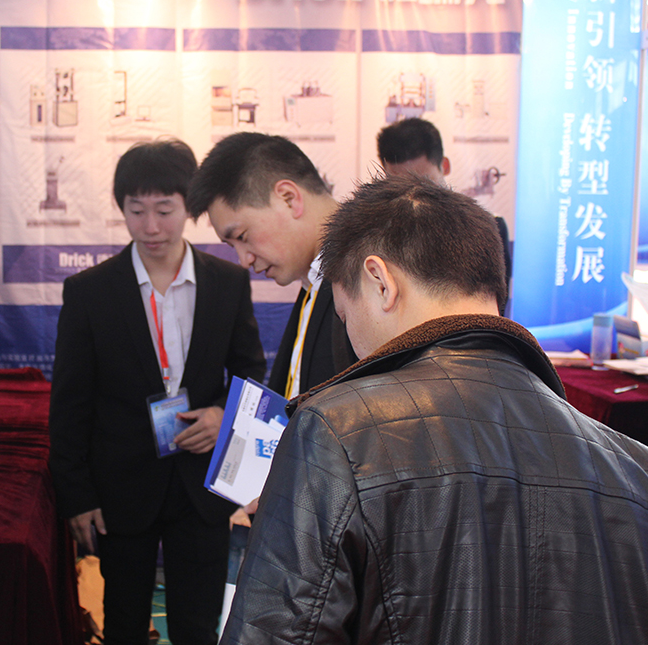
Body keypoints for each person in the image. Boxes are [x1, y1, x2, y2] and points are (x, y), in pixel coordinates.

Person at [222, 175, 648, 644]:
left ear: (380, 282)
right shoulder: (646, 474)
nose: (353, 342)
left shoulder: (337, 432)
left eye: (344, 313)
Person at [48, 139, 266, 645]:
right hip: (120, 488)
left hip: (201, 488)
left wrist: (221, 415)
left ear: (189, 207)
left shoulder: (227, 283)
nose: (150, 226)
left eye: (164, 210)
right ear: (121, 208)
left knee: (197, 626)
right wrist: (78, 497)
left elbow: (251, 375)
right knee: (123, 624)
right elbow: (70, 403)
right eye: (136, 210)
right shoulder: (90, 292)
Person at [187, 132, 356, 401]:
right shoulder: (314, 282)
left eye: (242, 237)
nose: (244, 260)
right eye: (231, 245)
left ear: (289, 198)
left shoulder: (367, 279)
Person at [376, 117, 512, 312]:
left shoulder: (487, 228)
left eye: (423, 182)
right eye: (399, 185)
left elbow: (494, 312)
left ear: (445, 166)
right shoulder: (377, 235)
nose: (411, 194)